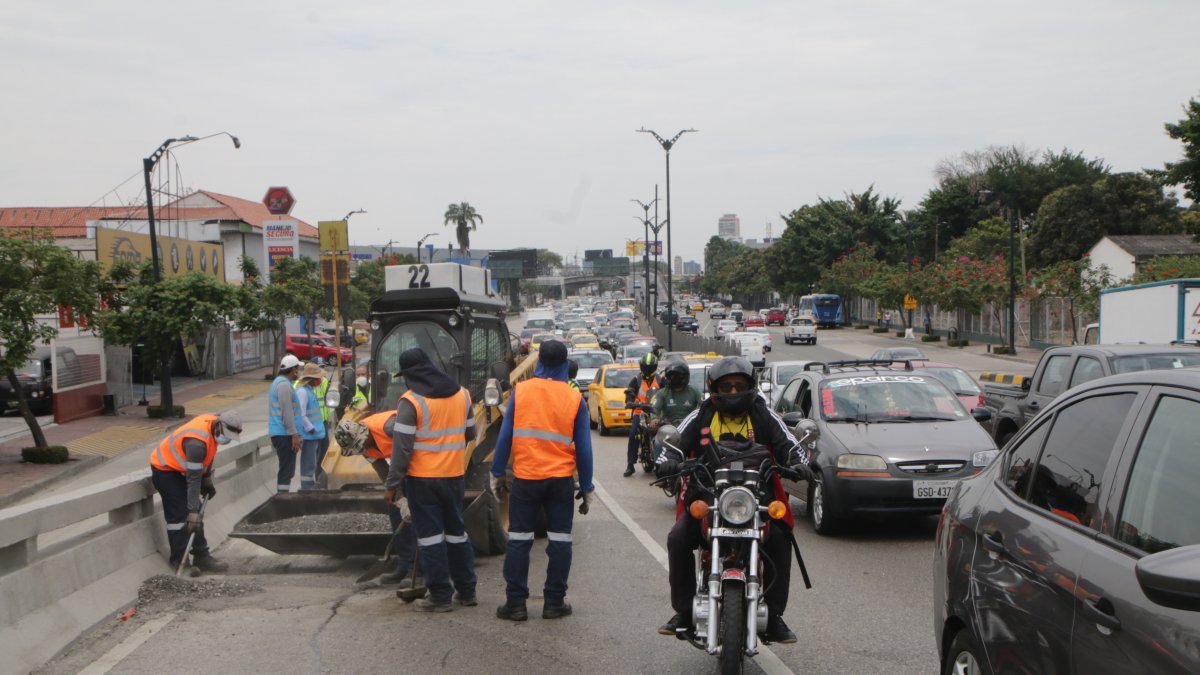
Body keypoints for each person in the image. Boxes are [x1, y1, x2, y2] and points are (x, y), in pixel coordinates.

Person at [655, 356, 813, 644]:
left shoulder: (763, 414)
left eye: (739, 385)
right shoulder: (701, 415)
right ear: (714, 388)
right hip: (708, 495)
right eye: (726, 386)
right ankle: (683, 612)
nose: (732, 392)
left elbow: (789, 444)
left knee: (780, 537)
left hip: (757, 499)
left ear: (751, 387)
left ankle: (775, 616)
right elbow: (675, 444)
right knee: (678, 538)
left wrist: (799, 462)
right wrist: (667, 461)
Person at [490, 339, 594, 621]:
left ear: (540, 363)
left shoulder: (521, 392)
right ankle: (554, 603)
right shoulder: (573, 398)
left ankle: (515, 604)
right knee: (560, 540)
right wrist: (587, 488)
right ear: (563, 364)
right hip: (559, 481)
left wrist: (497, 473)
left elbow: (505, 436)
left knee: (519, 540)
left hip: (526, 479)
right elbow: (584, 448)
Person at [385, 348, 478, 612]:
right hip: (454, 477)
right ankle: (467, 590)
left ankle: (439, 595)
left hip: (423, 481)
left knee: (430, 538)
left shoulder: (411, 401)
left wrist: (392, 486)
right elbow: (471, 433)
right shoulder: (462, 394)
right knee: (456, 534)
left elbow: (401, 449)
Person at [149, 410, 242, 573]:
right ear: (219, 426)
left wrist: (206, 477)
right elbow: (193, 480)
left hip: (182, 468)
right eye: (226, 435)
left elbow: (210, 452)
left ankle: (201, 556)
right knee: (180, 516)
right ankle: (179, 561)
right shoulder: (196, 443)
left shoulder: (214, 426)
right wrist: (192, 511)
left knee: (196, 513)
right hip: (165, 469)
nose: (226, 439)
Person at [336, 412, 419, 586]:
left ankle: (417, 570)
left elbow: (410, 449)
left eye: (361, 446)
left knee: (418, 520)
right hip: (401, 470)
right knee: (396, 512)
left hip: (420, 466)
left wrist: (409, 495)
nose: (362, 450)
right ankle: (403, 565)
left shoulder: (390, 427)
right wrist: (399, 497)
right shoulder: (362, 445)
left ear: (363, 435)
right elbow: (383, 469)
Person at [269, 354, 304, 493]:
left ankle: (283, 496)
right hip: (284, 435)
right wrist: (294, 435)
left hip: (282, 433)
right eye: (297, 369)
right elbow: (287, 412)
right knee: (286, 470)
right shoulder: (283, 385)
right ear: (293, 369)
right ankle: (282, 498)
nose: (298, 372)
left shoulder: (280, 383)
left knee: (287, 469)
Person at [624, 352, 659, 477]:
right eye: (645, 367)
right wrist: (629, 401)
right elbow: (630, 392)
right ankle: (630, 464)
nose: (647, 370)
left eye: (649, 367)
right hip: (640, 412)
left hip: (655, 412)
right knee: (633, 433)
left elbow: (666, 393)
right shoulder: (636, 379)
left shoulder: (661, 380)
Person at [295, 362, 328, 490]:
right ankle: (307, 488)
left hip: (314, 435)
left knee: (312, 463)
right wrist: (311, 428)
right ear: (312, 379)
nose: (320, 380)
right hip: (309, 435)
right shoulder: (303, 392)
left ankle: (310, 486)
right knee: (308, 464)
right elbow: (301, 414)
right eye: (318, 377)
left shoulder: (309, 391)